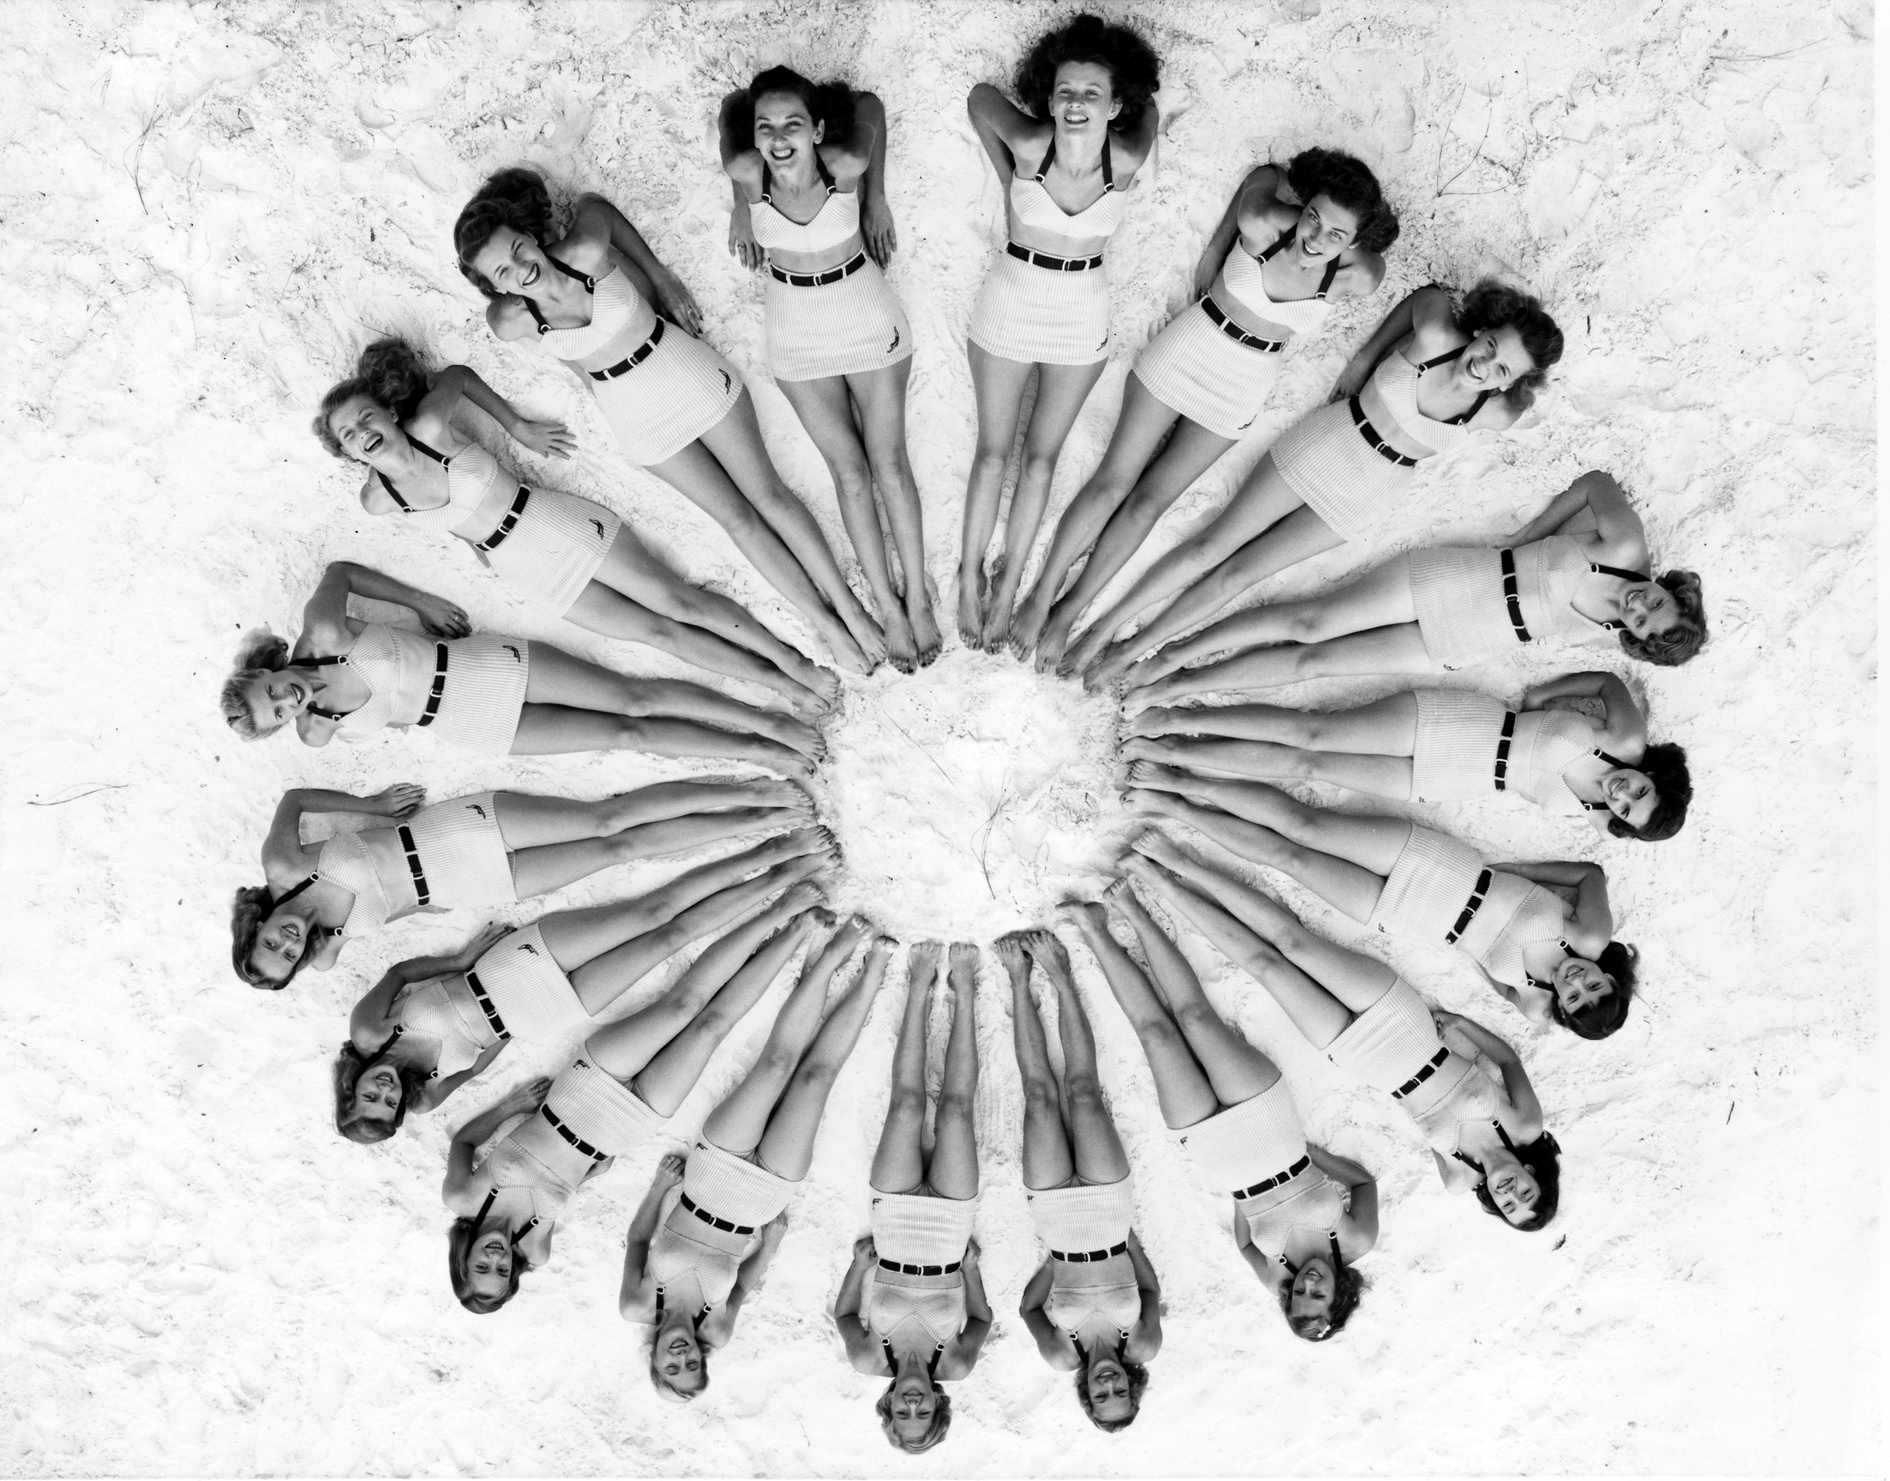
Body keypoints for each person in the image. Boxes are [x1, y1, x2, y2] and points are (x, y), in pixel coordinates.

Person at [454, 168, 887, 672]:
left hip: (683, 369)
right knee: (737, 521)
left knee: (769, 495)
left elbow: (597, 205)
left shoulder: (587, 253)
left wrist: (658, 274)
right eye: (501, 273)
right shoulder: (511, 319)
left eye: (516, 250)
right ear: (496, 289)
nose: (518, 268)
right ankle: (827, 624)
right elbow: (514, 328)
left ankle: (852, 611)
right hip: (637, 419)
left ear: (529, 236)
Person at [1065, 280, 1567, 687]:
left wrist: (1525, 371)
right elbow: (1426, 294)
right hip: (1330, 439)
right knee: (1210, 546)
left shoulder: (1499, 410)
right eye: (1490, 344)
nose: (1484, 363)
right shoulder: (1436, 335)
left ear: (1509, 382)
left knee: (1241, 575)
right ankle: (1102, 628)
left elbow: (1525, 399)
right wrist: (1366, 357)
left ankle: (1132, 649)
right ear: (1480, 330)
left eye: (1502, 368)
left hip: (1368, 493)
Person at [315, 338, 838, 718]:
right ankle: (780, 684)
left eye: (365, 418)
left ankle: (792, 661)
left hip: (548, 521)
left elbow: (457, 376)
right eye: (349, 436)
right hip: (522, 568)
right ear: (346, 452)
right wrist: (472, 541)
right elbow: (447, 517)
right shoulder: (376, 500)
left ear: (387, 411)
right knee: (658, 635)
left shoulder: (429, 426)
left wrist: (516, 426)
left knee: (679, 602)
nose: (362, 433)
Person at [1012, 149, 1396, 665]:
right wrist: (1222, 248)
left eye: (1336, 236)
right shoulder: (1264, 224)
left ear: (1353, 242)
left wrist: (1347, 234)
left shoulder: (1353, 275)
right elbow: (1262, 178)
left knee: (1151, 503)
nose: (1314, 240)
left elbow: (1375, 264)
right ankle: (1041, 596)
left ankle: (1069, 612)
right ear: (1301, 208)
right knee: (1113, 482)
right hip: (1195, 341)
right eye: (1313, 218)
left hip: (1244, 383)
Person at [1117, 834, 1561, 1231]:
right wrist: (1462, 1025)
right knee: (1292, 942)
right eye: (1525, 1193)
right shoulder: (1525, 1125)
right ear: (1535, 1176)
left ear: (1495, 1206)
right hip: (1412, 1032)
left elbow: (1419, 1124)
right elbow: (1508, 1061)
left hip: (1367, 1063)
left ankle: (1164, 887)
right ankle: (1179, 863)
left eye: (1508, 1205)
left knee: (1265, 967)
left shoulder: (1459, 1180)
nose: (1511, 1193)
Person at [442, 890, 826, 1312]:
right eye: (501, 1272)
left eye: (482, 1266)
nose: (496, 1260)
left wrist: (508, 1107)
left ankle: (784, 909)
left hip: (576, 1099)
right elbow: (562, 1189)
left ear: (464, 1262)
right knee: (710, 1030)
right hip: (623, 1128)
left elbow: (463, 1142)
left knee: (683, 1006)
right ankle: (795, 935)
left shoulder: (462, 1197)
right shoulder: (535, 1249)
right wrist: (590, 1171)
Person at [335, 830, 832, 1140]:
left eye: (367, 1096)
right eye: (387, 1105)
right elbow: (482, 1062)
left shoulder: (369, 1033)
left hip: (499, 971)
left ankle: (776, 852)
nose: (383, 1092)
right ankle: (780, 894)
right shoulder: (428, 1097)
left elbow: (396, 974)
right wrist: (515, 1027)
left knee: (652, 912)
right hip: (537, 1011)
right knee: (670, 939)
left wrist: (463, 958)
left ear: (350, 1087)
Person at [1060, 886, 1377, 1341]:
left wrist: (1242, 1196)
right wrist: (1310, 1156)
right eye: (1318, 1294)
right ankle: (1130, 905)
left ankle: (1094, 929)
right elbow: (1365, 1181)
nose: (1306, 1285)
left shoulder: (1274, 1279)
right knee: (1194, 1019)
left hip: (1222, 1158)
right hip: (1272, 1134)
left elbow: (1247, 1242)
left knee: (1156, 1036)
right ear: (1340, 1295)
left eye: (1299, 1296)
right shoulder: (1356, 1241)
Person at [1122, 470, 1709, 705]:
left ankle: (1175, 687)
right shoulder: (1628, 550)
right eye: (1653, 601)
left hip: (1471, 639)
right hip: (1467, 577)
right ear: (1667, 587)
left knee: (1316, 665)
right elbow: (1595, 483)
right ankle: (1172, 654)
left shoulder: (1616, 640)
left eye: (1640, 623)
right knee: (1310, 622)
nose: (1637, 606)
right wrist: (1532, 535)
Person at [1123, 774, 1639, 1039]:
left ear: (1563, 1009)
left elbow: (1486, 974)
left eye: (1574, 998)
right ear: (1611, 976)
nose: (1576, 981)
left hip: (1419, 919)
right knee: (1306, 826)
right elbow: (1588, 874)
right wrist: (1511, 875)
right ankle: (1178, 788)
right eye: (1593, 984)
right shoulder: (1590, 936)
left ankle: (1176, 821)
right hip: (1453, 872)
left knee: (1291, 860)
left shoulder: (1531, 1003)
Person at [720, 69, 940, 672]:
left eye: (794, 123)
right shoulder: (749, 176)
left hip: (865, 316)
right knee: (848, 473)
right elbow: (726, 112)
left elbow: (870, 102)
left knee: (889, 463)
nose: (779, 136)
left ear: (817, 129)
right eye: (766, 127)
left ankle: (918, 599)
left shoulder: (843, 163)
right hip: (796, 334)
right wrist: (741, 208)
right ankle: (889, 612)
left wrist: (875, 196)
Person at [220, 560, 823, 777]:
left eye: (272, 690)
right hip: (473, 728)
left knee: (633, 698)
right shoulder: (317, 732)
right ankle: (759, 752)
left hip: (481, 669)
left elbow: (340, 572)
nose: (287, 700)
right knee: (624, 735)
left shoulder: (322, 630)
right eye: (277, 714)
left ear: (266, 669)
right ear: (280, 726)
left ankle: (768, 721)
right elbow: (392, 722)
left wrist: (421, 603)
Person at [622, 918, 892, 1398]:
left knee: (777, 1063)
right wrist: (772, 1244)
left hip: (706, 1183)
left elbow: (640, 1238)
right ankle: (874, 971)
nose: (683, 1356)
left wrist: (660, 1188)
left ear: (654, 1362)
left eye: (672, 1365)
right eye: (691, 1365)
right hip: (757, 1206)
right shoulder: (718, 1331)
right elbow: (744, 1286)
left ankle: (834, 955)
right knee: (815, 1080)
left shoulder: (638, 1304)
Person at [959, 14, 1160, 650]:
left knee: (1041, 458)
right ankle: (968, 579)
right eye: (1066, 91)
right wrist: (1007, 178)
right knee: (994, 452)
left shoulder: (1125, 155)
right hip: (1012, 298)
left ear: (1115, 104)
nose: (1077, 104)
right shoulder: (1027, 144)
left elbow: (1149, 108)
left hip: (1082, 311)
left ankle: (1010, 577)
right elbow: (978, 100)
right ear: (1049, 98)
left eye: (1092, 94)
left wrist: (1128, 100)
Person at [231, 777, 807, 988]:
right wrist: (420, 910)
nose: (287, 943)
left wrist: (372, 806)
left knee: (604, 818)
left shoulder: (283, 869)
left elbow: (294, 799)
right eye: (289, 956)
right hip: (461, 884)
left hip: (439, 836)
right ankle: (762, 832)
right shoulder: (326, 953)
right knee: (616, 851)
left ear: (255, 930)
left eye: (269, 944)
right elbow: (381, 912)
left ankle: (757, 795)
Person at [1127, 669, 1693, 841]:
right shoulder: (1624, 743)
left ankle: (1179, 768)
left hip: (1455, 779)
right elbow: (1609, 682)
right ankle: (1175, 723)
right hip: (1470, 725)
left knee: (1312, 768)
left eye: (1626, 813)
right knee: (1314, 733)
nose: (1621, 798)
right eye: (1638, 791)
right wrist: (1543, 697)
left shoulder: (1590, 816)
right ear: (1650, 775)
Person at [1000, 930, 1161, 1428]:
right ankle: (1061, 975)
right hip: (1110, 1216)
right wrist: (1126, 1243)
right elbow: (1151, 1294)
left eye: (1101, 1394)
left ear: (1087, 1393)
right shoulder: (1143, 1343)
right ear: (1131, 1387)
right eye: (1119, 1392)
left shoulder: (1061, 1356)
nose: (1109, 1383)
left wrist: (1057, 1257)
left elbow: (1029, 1309)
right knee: (1084, 1092)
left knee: (1041, 1098)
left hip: (1057, 1224)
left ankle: (1017, 977)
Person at [833, 943, 990, 1452]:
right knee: (955, 1113)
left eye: (902, 1412)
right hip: (948, 1236)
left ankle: (920, 985)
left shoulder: (868, 1359)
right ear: (939, 1407)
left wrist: (859, 1269)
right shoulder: (957, 1364)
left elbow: (844, 1317)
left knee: (905, 1106)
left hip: (895, 1230)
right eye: (922, 1412)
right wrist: (969, 1272)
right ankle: (964, 990)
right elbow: (983, 1319)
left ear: (889, 1406)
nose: (913, 1404)